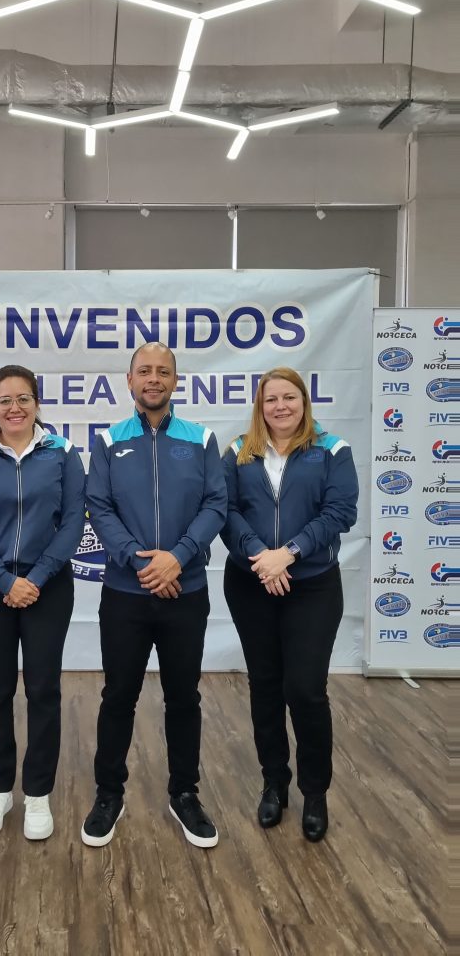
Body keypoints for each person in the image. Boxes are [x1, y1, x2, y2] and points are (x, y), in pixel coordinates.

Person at [81, 342, 227, 849]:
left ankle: (184, 794)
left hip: (185, 591)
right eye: (145, 370)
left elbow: (215, 504)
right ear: (129, 380)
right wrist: (140, 561)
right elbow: (97, 506)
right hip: (126, 591)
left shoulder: (201, 438)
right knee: (118, 696)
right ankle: (108, 795)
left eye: (163, 371)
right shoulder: (108, 441)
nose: (154, 378)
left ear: (175, 381)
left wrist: (178, 557)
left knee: (183, 697)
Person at [220, 367, 358, 842]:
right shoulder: (239, 450)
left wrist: (289, 553)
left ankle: (314, 790)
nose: (280, 406)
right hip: (251, 580)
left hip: (314, 584)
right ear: (260, 405)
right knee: (265, 684)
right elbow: (226, 510)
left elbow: (340, 512)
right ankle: (274, 782)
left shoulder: (332, 449)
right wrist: (263, 558)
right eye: (270, 399)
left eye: (289, 397)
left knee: (305, 689)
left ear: (304, 401)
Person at [0, 364, 86, 841]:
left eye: (23, 398)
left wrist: (37, 578)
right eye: (5, 400)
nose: (14, 407)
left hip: (48, 586)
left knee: (44, 690)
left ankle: (38, 794)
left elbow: (72, 522)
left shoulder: (64, 453)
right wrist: (4, 580)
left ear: (37, 403)